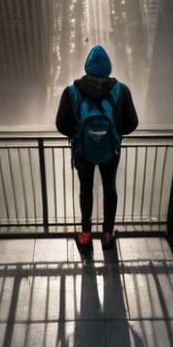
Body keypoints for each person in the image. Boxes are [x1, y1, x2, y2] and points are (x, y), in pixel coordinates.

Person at [56, 44, 138, 251]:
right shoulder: (121, 90)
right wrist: (114, 134)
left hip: (83, 152)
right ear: (108, 68)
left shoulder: (71, 91)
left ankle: (85, 236)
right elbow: (132, 123)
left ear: (87, 67)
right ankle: (108, 235)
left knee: (86, 189)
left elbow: (61, 125)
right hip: (111, 151)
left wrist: (79, 135)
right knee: (110, 188)